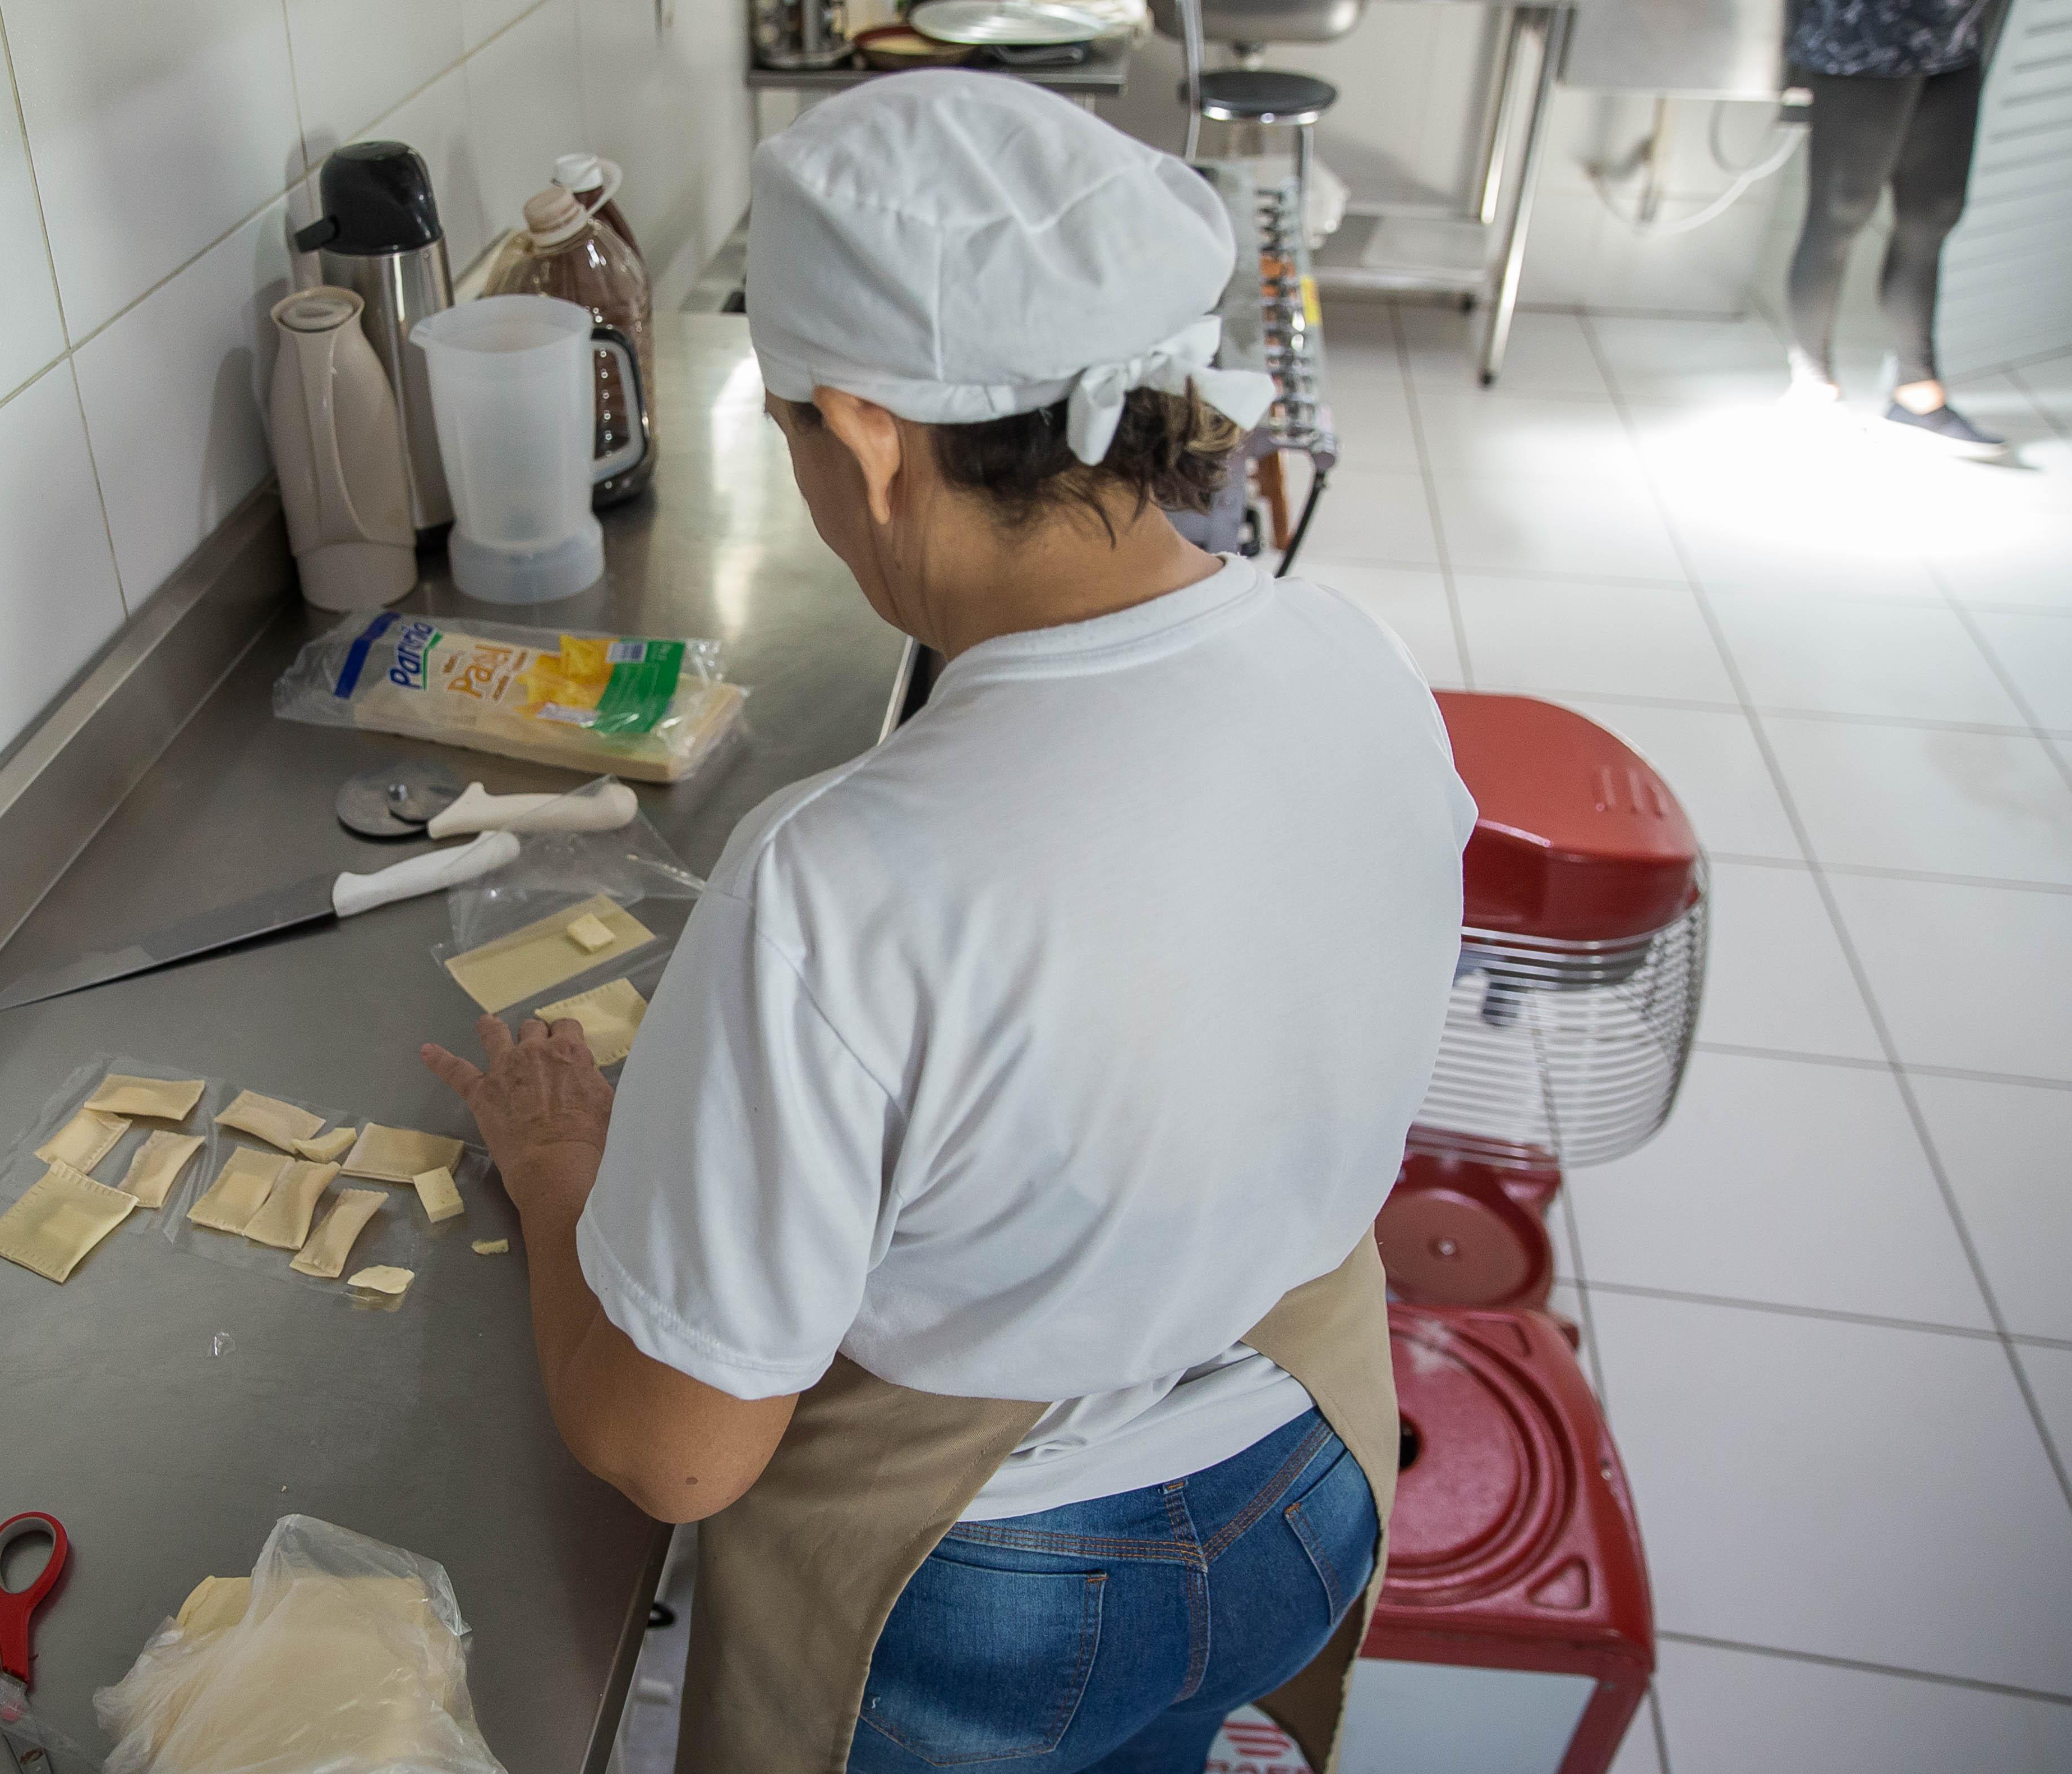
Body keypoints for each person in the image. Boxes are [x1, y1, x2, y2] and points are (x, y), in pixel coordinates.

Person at [422, 72, 1473, 1773]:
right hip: (1311, 1473)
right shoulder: (1358, 662)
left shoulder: (836, 887)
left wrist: (562, 1181)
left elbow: (681, 1453)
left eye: (792, 448)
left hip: (1006, 1595)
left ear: (866, 445)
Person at [1783, 0, 2010, 455]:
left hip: (1952, 34)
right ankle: (1811, 389)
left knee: (1934, 212)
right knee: (1841, 210)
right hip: (1865, 31)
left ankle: (1917, 396)